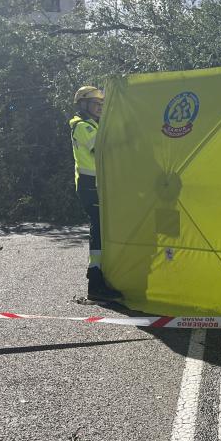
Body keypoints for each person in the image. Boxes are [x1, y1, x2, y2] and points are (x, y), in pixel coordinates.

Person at [70, 86, 123, 301]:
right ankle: (95, 281)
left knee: (104, 229)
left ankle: (101, 276)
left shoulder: (94, 124)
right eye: (95, 103)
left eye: (102, 104)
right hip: (90, 184)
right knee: (99, 228)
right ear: (84, 105)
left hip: (99, 183)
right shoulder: (83, 127)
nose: (100, 107)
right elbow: (103, 150)